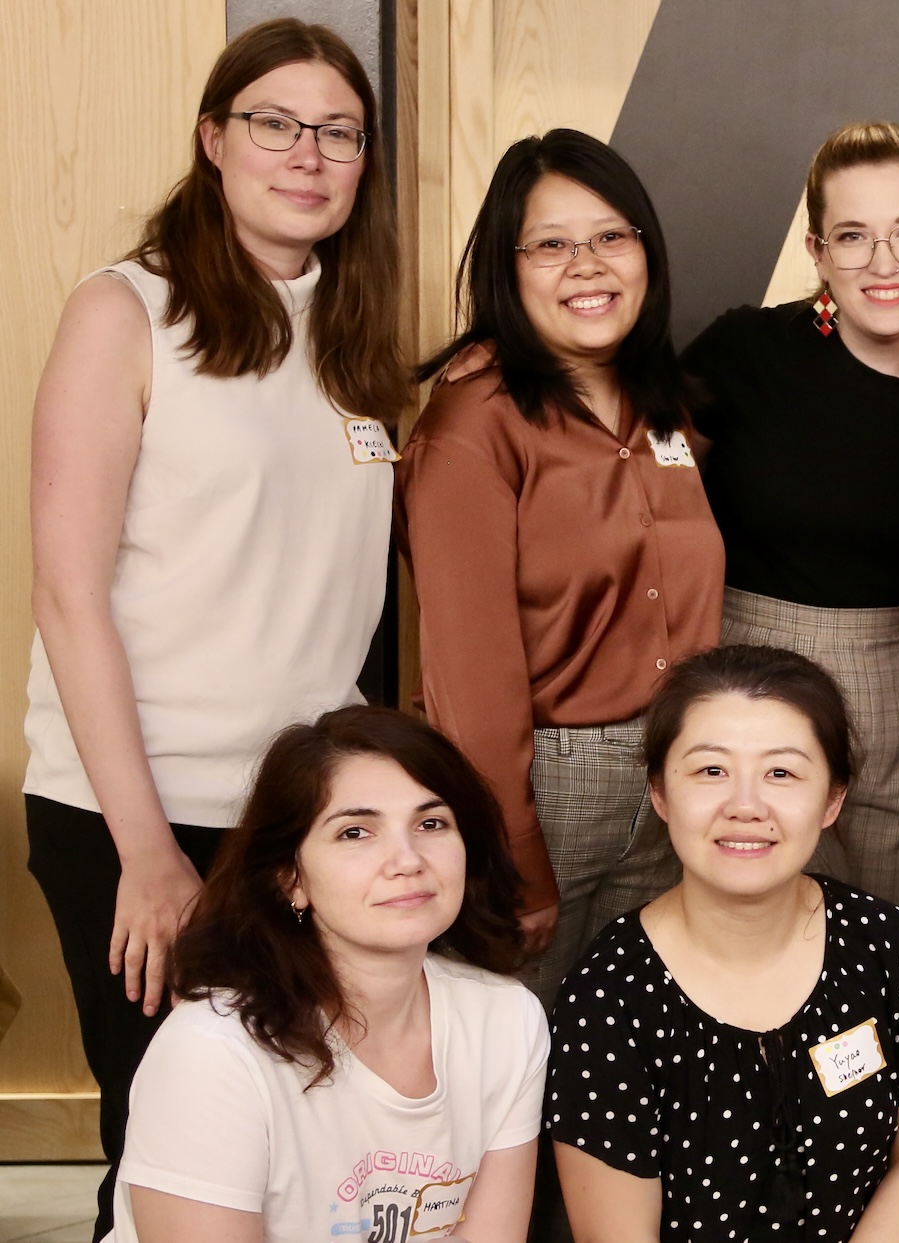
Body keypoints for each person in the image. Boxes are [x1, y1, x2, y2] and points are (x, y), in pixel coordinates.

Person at [22, 21, 407, 1236]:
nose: (308, 155)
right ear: (213, 139)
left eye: (338, 133)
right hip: (142, 810)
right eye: (274, 124)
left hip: (296, 813)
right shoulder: (126, 311)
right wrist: (145, 851)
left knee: (295, 1140)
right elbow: (67, 592)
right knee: (169, 1152)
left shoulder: (353, 332)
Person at [399, 128, 724, 1004]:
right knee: (519, 1029)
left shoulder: (666, 407)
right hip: (547, 782)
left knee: (630, 1036)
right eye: (550, 244)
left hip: (677, 771)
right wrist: (510, 847)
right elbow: (469, 671)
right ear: (507, 270)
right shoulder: (473, 426)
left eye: (612, 235)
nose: (587, 264)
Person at [682, 121, 899, 962]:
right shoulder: (745, 352)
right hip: (746, 668)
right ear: (818, 252)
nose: (883, 262)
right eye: (853, 236)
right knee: (744, 913)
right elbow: (636, 473)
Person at [547, 644, 899, 1243]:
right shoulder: (607, 997)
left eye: (781, 773)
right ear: (660, 792)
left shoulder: (889, 948)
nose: (745, 806)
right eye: (711, 771)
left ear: (833, 798)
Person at [111, 706, 544, 1243]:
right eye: (355, 832)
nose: (407, 860)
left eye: (431, 824)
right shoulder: (211, 1052)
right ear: (290, 878)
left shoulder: (507, 1019)